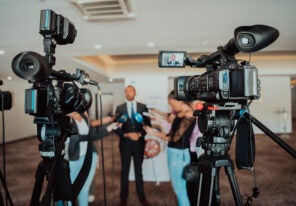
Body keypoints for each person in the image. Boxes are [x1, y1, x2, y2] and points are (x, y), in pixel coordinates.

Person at [144, 91, 196, 206]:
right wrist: (155, 112)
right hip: (173, 152)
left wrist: (153, 132)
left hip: (179, 154)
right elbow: (169, 118)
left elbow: (174, 138)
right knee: (178, 188)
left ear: (179, 100)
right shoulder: (181, 113)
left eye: (172, 104)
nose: (172, 107)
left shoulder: (189, 115)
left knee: (180, 189)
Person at [114, 85, 151, 206]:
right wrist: (126, 134)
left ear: (135, 92)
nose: (128, 93)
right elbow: (116, 127)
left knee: (138, 170)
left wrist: (140, 134)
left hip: (139, 143)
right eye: (126, 91)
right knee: (125, 170)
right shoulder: (120, 108)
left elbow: (148, 125)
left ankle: (142, 197)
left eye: (130, 91)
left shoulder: (142, 107)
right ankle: (123, 198)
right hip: (125, 144)